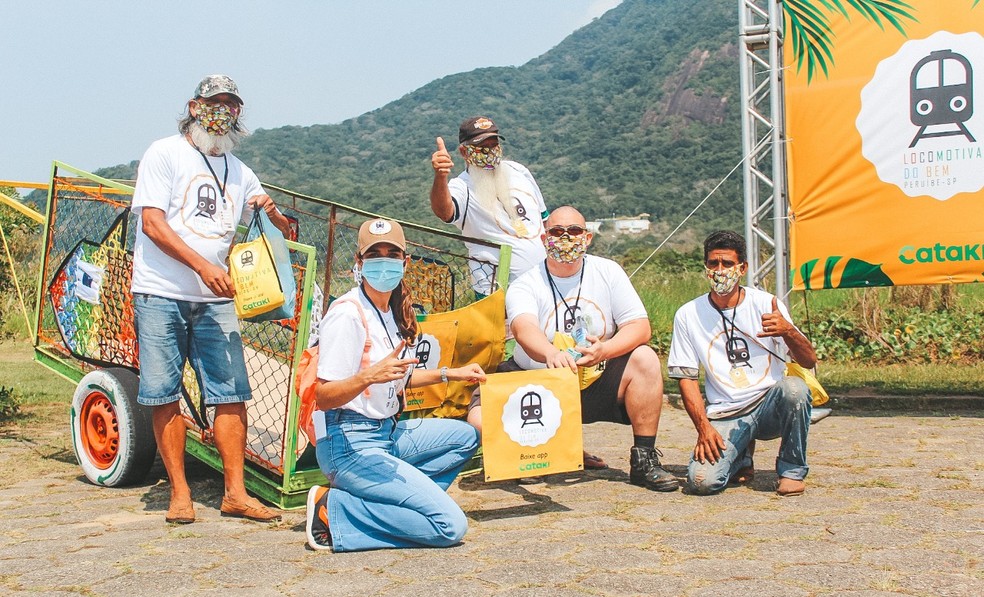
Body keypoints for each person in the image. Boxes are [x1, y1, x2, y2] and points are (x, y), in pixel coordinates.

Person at [131, 75, 292, 523]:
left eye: (231, 105)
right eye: (214, 103)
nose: (222, 111)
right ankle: (179, 493)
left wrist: (275, 213)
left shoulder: (240, 170)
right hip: (161, 292)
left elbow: (274, 221)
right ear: (194, 106)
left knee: (232, 393)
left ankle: (235, 493)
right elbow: (153, 225)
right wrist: (203, 267)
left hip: (217, 298)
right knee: (164, 393)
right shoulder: (165, 153)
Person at [466, 206, 680, 492]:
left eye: (574, 231)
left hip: (594, 379)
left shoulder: (608, 271)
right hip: (539, 382)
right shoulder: (526, 283)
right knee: (478, 417)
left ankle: (644, 460)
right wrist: (551, 354)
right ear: (544, 239)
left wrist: (605, 350)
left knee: (646, 359)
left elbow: (640, 326)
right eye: (556, 232)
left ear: (587, 238)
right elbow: (523, 328)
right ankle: (535, 453)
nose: (566, 238)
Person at [305, 218, 486, 552]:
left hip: (386, 433)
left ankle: (396, 504)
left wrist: (451, 374)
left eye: (392, 253)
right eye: (374, 254)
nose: (383, 260)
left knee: (466, 437)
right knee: (449, 526)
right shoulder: (348, 314)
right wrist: (369, 375)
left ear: (405, 262)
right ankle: (336, 509)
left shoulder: (391, 312)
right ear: (359, 263)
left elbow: (399, 377)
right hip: (350, 443)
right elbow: (324, 396)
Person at [668, 230, 817, 496]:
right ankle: (741, 455)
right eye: (713, 263)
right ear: (706, 267)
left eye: (727, 263)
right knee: (703, 482)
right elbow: (687, 378)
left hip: (769, 403)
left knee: (795, 389)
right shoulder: (688, 314)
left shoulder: (766, 303)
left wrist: (788, 331)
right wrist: (704, 427)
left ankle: (792, 470)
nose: (720, 270)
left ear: (742, 268)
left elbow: (808, 360)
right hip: (728, 411)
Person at [429, 116, 549, 296]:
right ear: (464, 152)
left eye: (494, 145)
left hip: (543, 282)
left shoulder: (519, 171)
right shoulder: (462, 187)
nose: (491, 152)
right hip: (496, 292)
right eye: (483, 148)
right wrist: (440, 176)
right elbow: (444, 211)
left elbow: (544, 220)